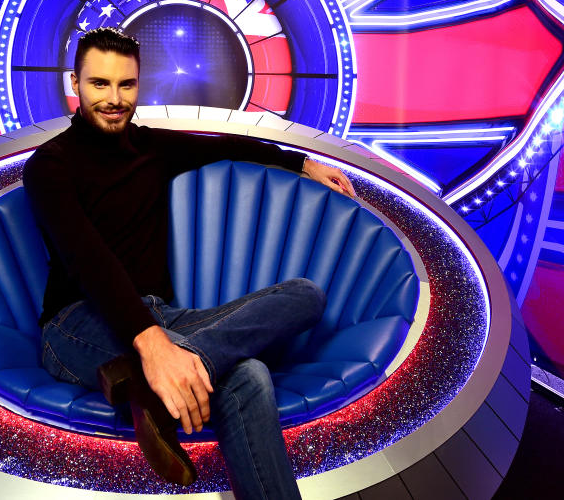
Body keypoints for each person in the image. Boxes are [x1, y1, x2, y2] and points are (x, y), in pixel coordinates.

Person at [22, 28, 356, 499]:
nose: (114, 98)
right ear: (74, 83)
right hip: (76, 324)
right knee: (249, 373)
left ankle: (144, 388)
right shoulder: (48, 165)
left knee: (306, 296)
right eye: (100, 84)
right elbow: (88, 262)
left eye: (127, 85)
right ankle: (150, 372)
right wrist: (153, 347)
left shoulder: (151, 148)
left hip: (165, 316)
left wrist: (300, 163)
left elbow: (225, 146)